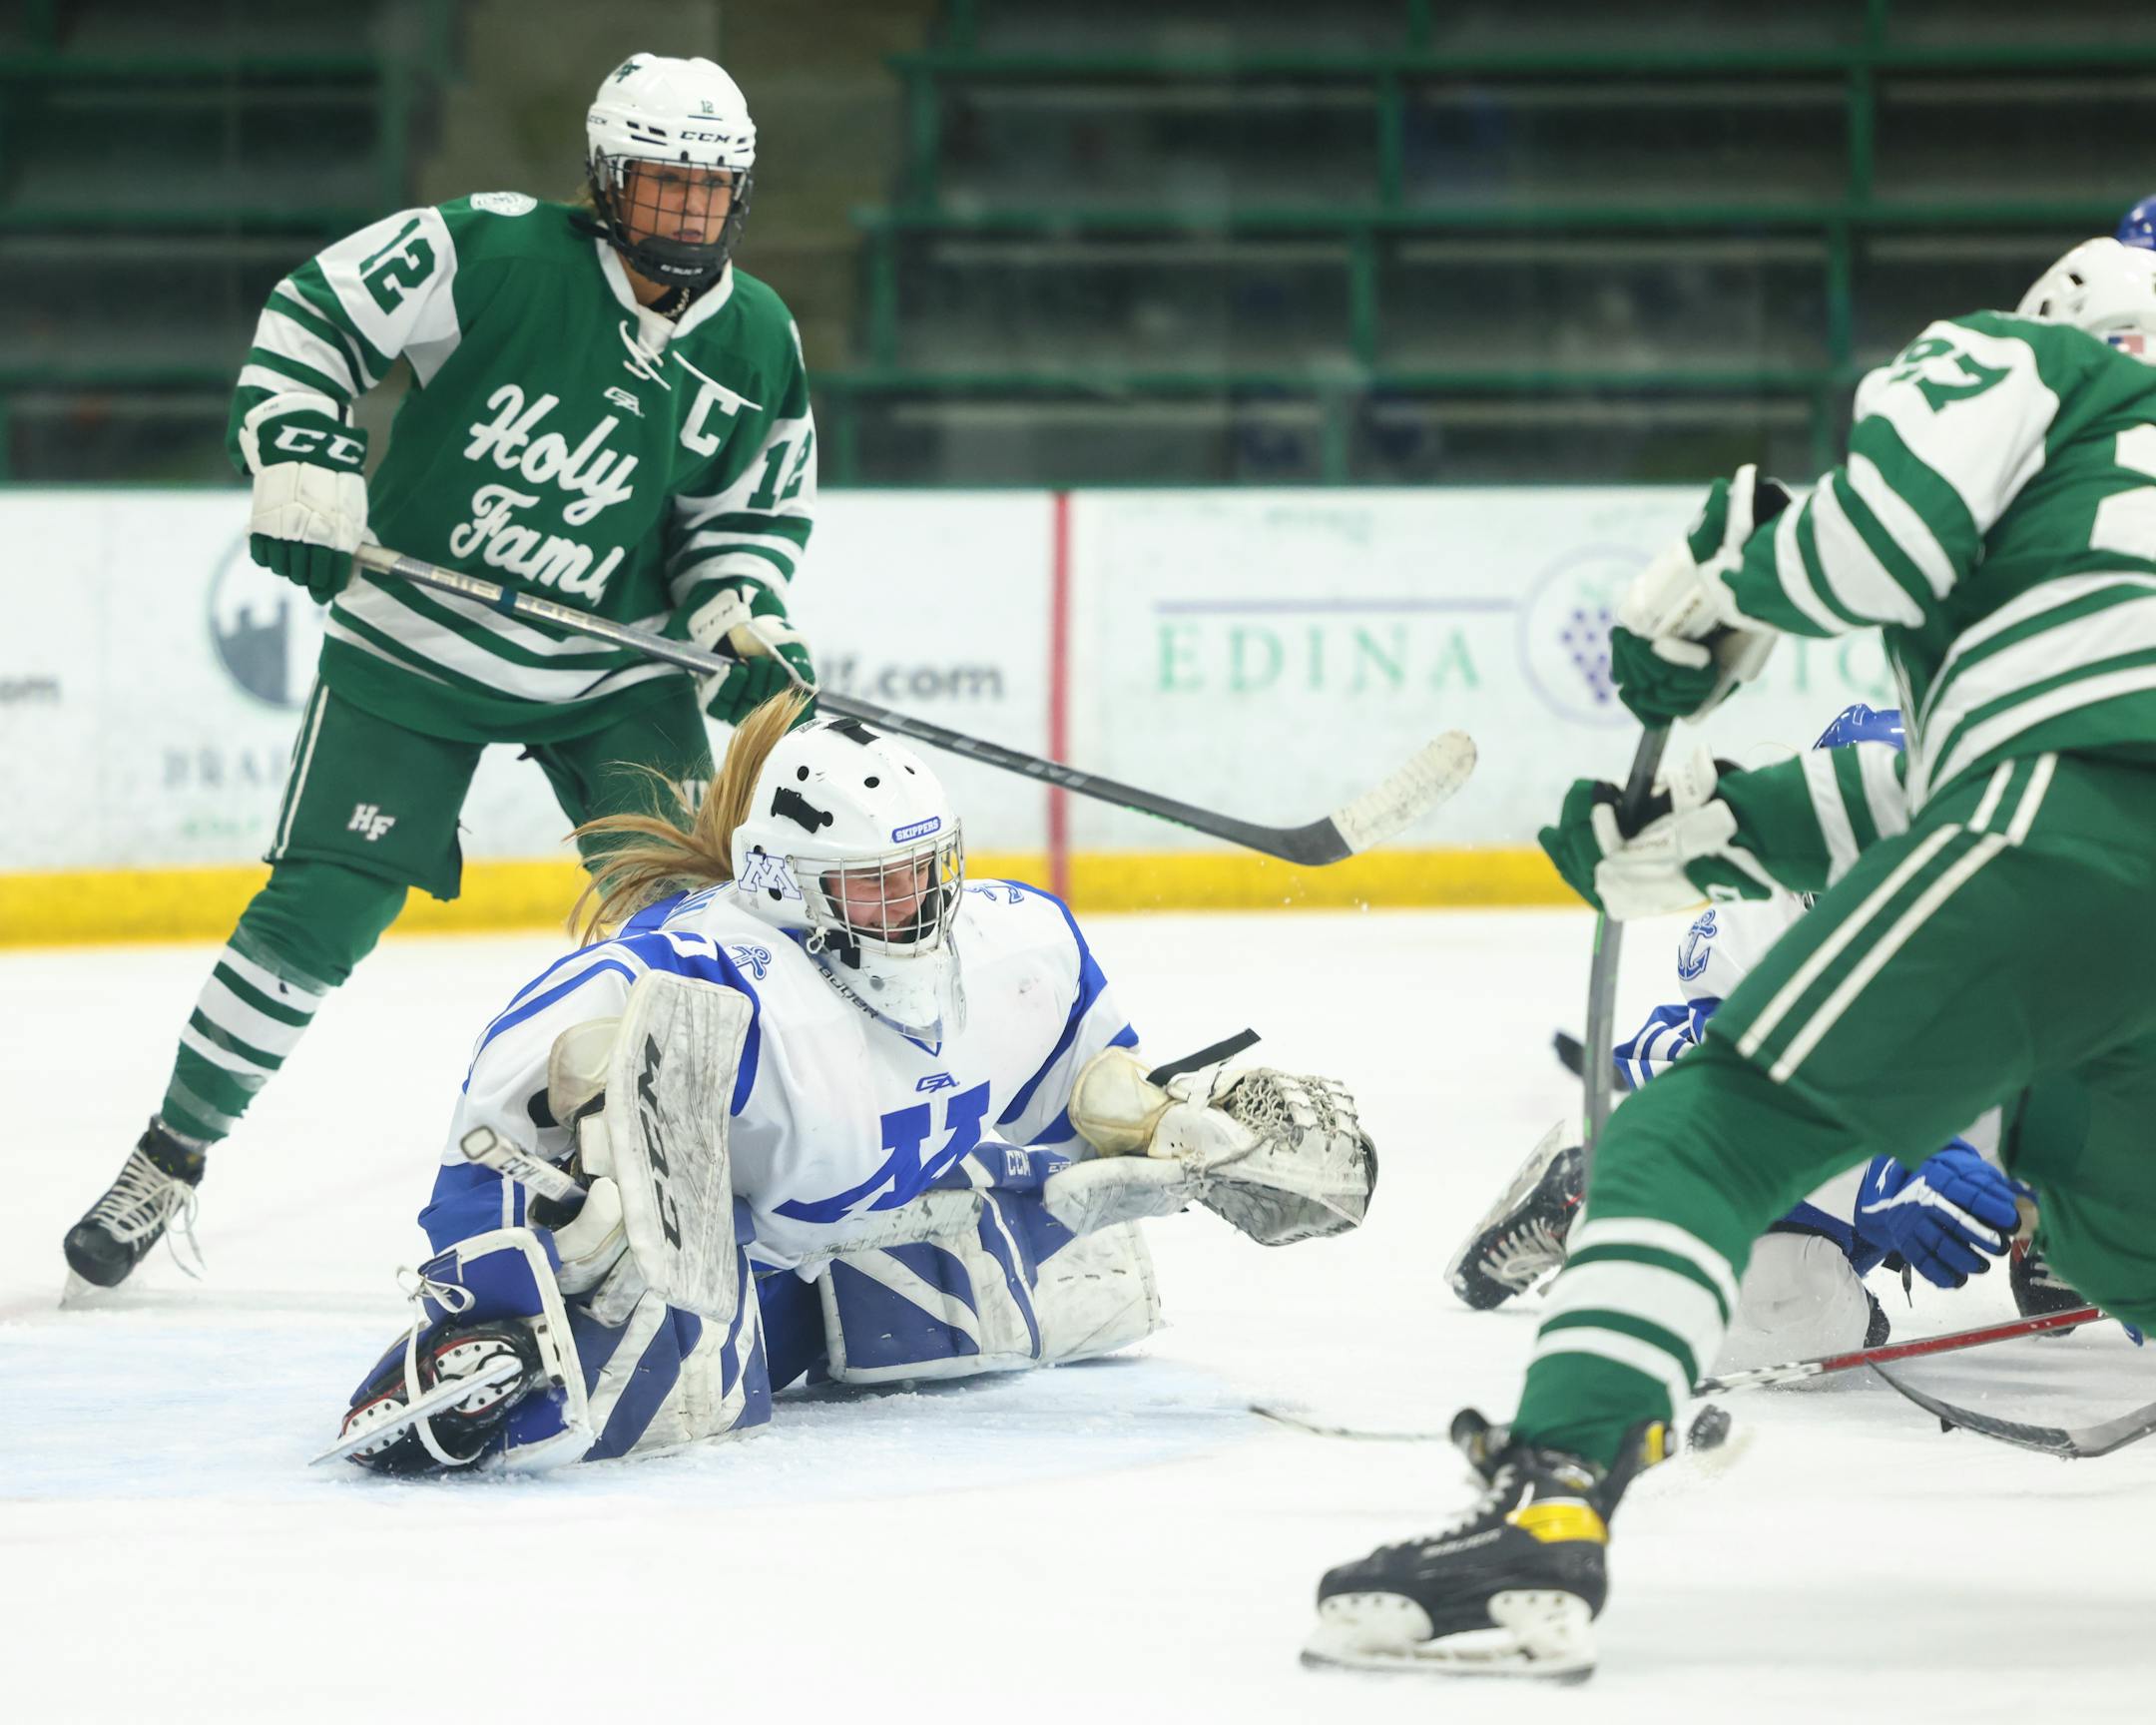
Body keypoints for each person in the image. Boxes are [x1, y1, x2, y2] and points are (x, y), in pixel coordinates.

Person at [1307, 235, 2156, 1678]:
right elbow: (1937, 787)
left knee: (1696, 1138)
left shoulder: (2035, 362)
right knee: (2114, 1223)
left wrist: (1723, 579)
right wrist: (1715, 829)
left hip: (2080, 825)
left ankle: (1547, 1508)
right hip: (2074, 834)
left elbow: (1880, 548)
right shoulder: (2085, 562)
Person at [64, 54, 819, 1293]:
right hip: (411, 643)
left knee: (695, 927)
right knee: (318, 915)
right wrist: (304, 453)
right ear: (605, 179)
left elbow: (740, 515)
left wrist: (739, 612)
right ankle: (172, 1154)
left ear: (738, 194)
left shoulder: (757, 337)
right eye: (659, 186)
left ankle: (720, 1182)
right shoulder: (493, 254)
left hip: (607, 672)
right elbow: (315, 313)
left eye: (707, 189)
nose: (683, 213)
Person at [324, 693, 1378, 1472]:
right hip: (720, 1276)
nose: (917, 909)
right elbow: (496, 1130)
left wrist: (1180, 1127)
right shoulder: (689, 978)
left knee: (1066, 1300)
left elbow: (1092, 1083)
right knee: (656, 1390)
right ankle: (522, 1368)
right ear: (783, 881)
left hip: (875, 1236)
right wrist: (505, 1285)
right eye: (878, 886)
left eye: (928, 874)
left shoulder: (1016, 946)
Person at [1447, 704, 2053, 1368]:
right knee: (1796, 1310)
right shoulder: (1758, 936)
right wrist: (1877, 1175)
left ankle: (2052, 1230)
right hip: (1749, 1187)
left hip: (1919, 1158)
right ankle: (1589, 1194)